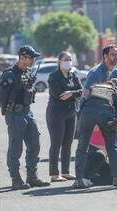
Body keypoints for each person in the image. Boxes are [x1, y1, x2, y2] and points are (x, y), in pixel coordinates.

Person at [0, 45, 50, 190]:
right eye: (31, 57)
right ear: (23, 58)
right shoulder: (9, 74)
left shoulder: (28, 72)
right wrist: (8, 111)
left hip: (27, 112)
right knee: (16, 147)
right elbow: (1, 96)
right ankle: (16, 179)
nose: (33, 60)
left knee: (35, 143)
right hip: (15, 114)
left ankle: (32, 177)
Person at [73, 79, 117, 188]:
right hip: (105, 113)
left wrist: (82, 119)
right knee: (112, 147)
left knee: (82, 147)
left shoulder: (95, 86)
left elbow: (82, 101)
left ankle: (79, 180)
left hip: (87, 113)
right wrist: (113, 124)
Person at [46, 51, 82, 182]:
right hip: (56, 113)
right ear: (59, 61)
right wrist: (72, 93)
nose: (68, 61)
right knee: (56, 143)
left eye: (70, 59)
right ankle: (55, 174)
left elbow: (81, 90)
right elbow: (58, 94)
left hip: (71, 112)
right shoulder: (53, 76)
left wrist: (71, 93)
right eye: (66, 59)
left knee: (68, 142)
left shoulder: (73, 75)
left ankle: (65, 171)